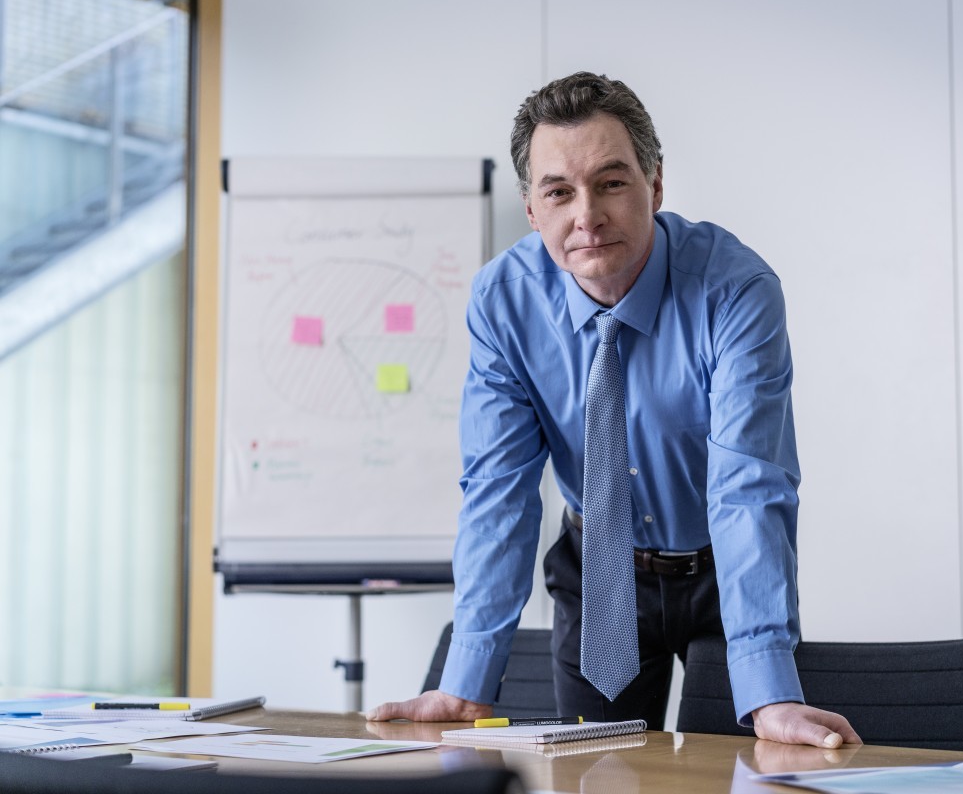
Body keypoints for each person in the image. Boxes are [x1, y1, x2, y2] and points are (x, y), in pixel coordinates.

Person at [367, 71, 860, 748]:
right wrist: (468, 681)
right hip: (600, 572)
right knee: (598, 774)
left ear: (655, 185)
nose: (587, 215)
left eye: (612, 182)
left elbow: (749, 489)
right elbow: (498, 492)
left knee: (736, 771)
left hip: (724, 573)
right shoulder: (504, 302)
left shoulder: (735, 291)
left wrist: (772, 693)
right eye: (559, 192)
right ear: (532, 208)